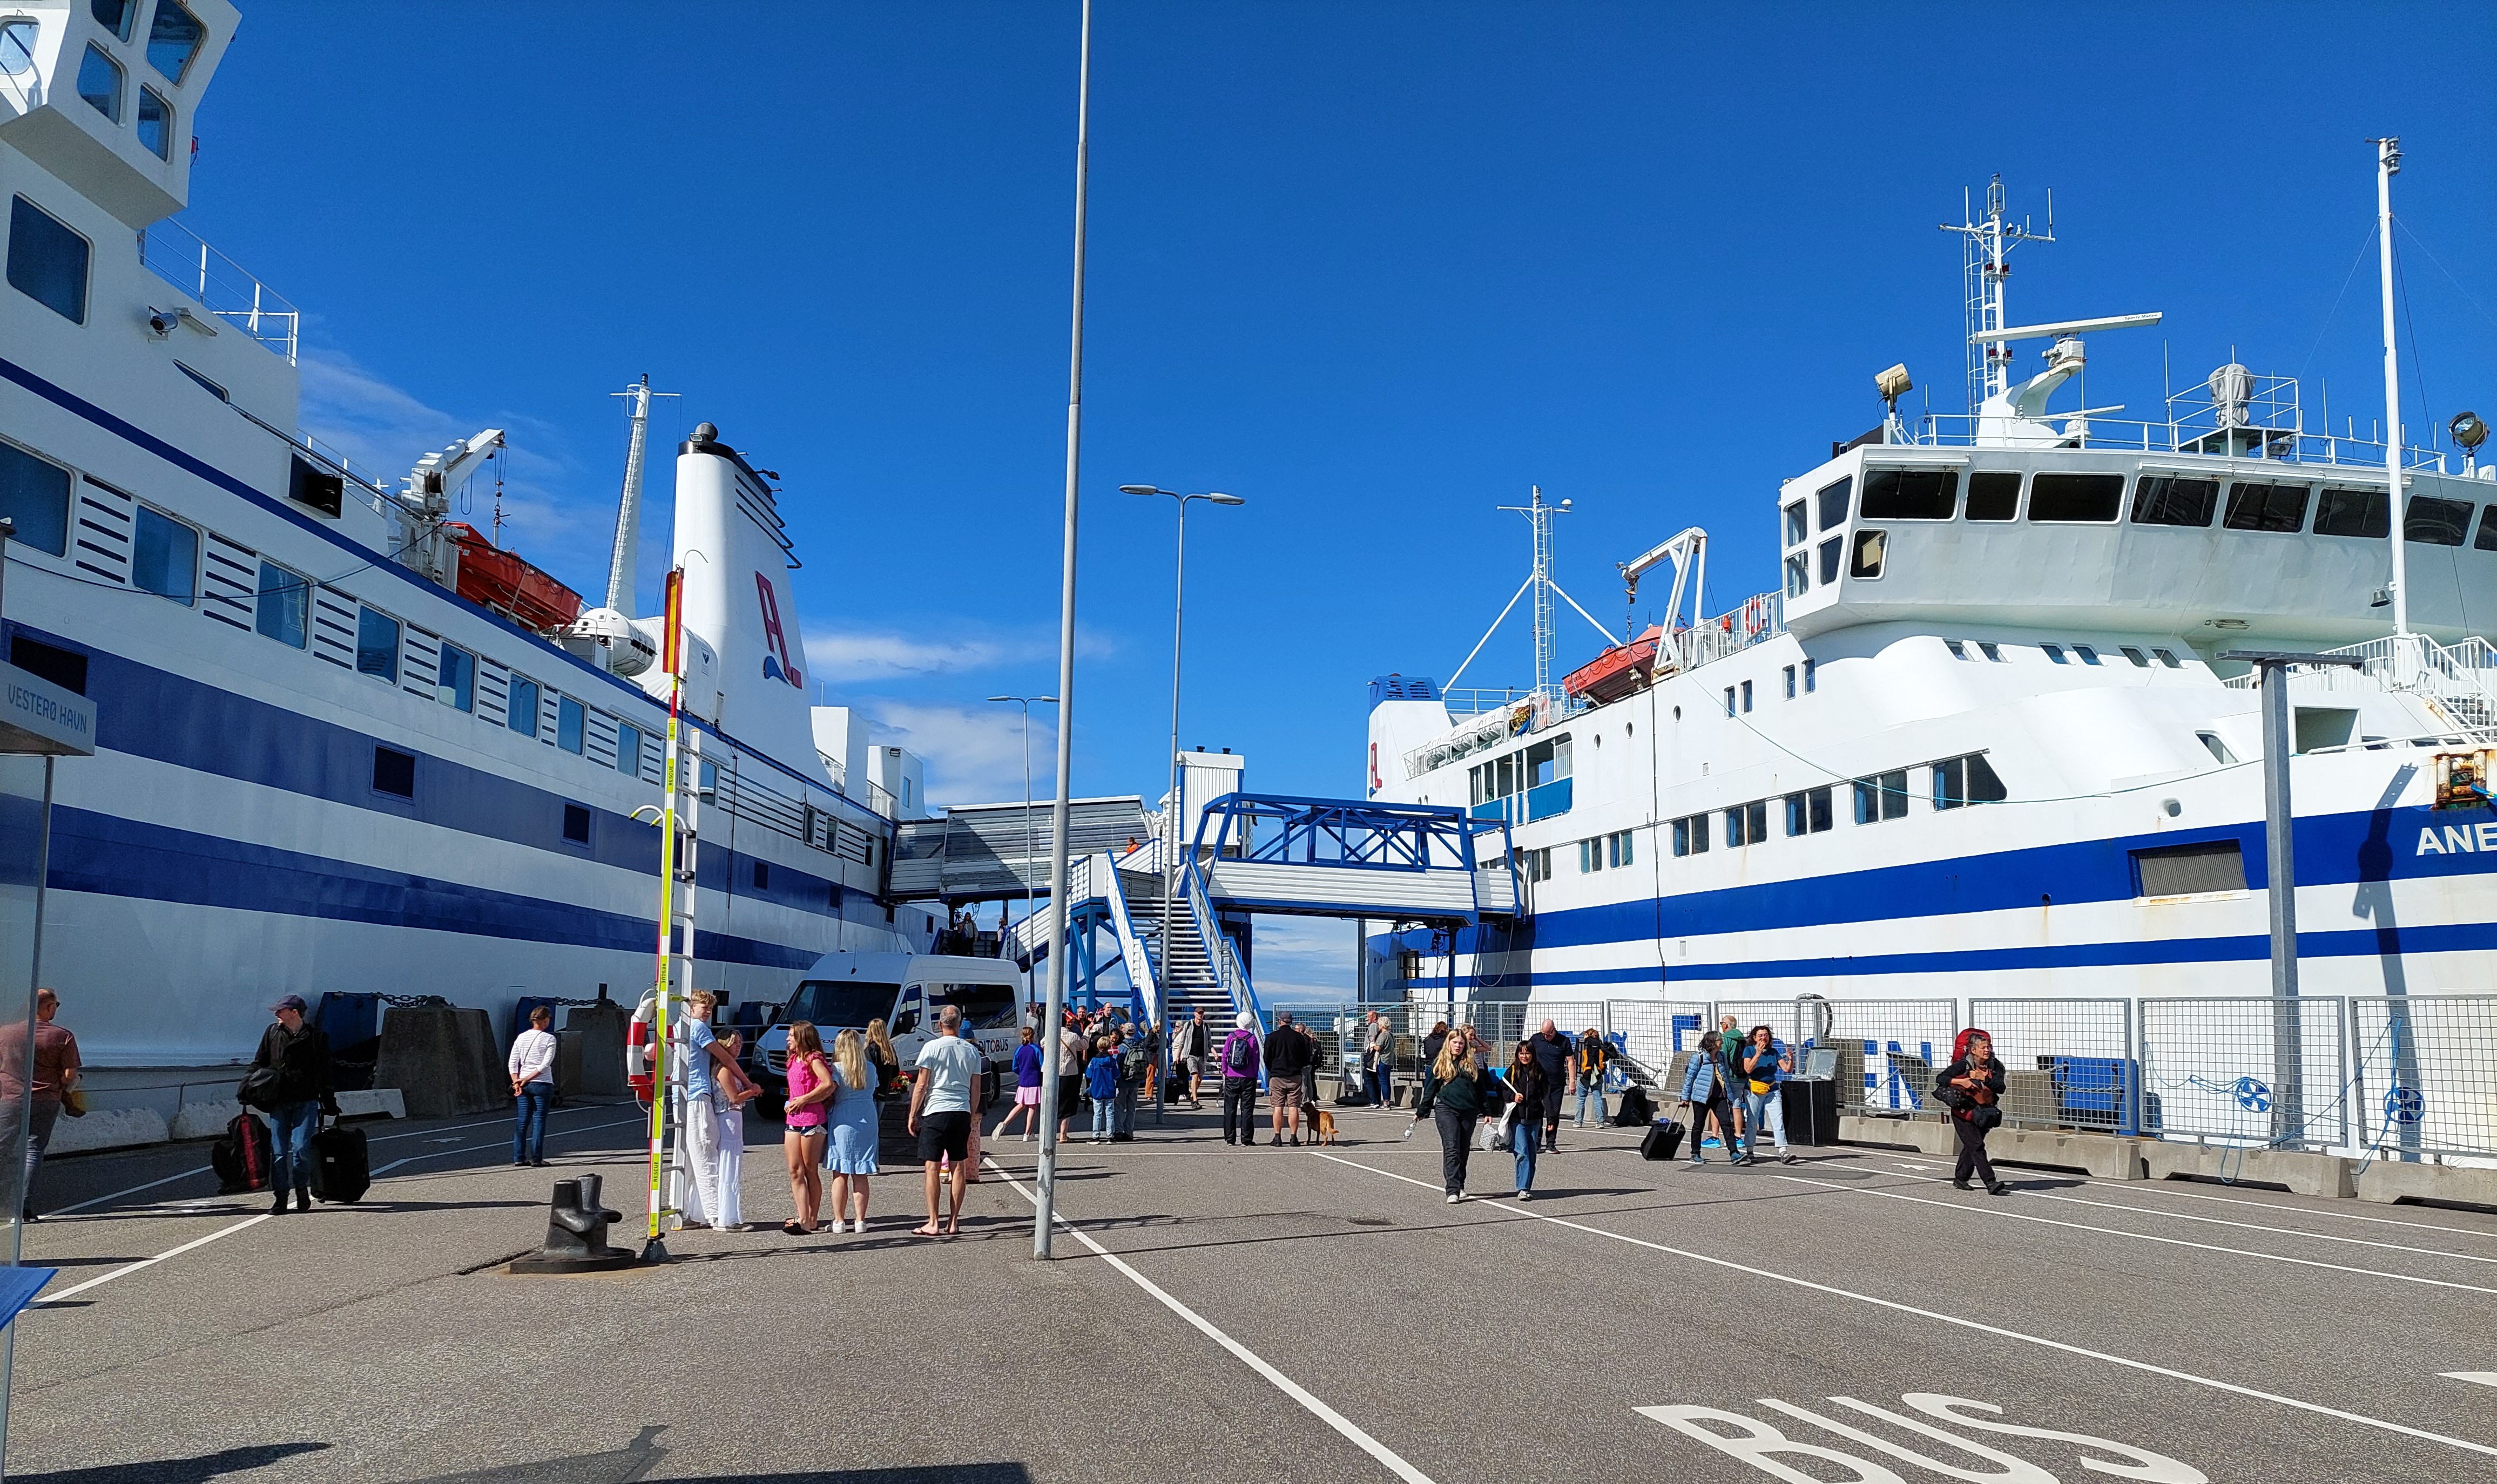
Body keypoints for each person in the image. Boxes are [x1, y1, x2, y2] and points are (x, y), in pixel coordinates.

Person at [247, 995, 336, 1216]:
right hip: (278, 1101)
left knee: (301, 1149)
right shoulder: (272, 1033)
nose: (276, 1014)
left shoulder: (317, 1038)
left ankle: (301, 1189)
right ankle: (280, 1198)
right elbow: (260, 1062)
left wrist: (330, 1102)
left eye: (280, 1011)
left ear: (294, 1013)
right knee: (278, 1152)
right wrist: (246, 1086)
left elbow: (326, 1073)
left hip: (306, 1101)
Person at [673, 990, 754, 1230]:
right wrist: (748, 1083)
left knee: (687, 1155)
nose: (707, 1012)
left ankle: (687, 1211)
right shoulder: (698, 1028)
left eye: (709, 1008)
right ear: (691, 1007)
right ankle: (717, 1215)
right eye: (703, 1007)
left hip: (681, 1091)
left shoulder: (678, 1028)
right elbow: (726, 1059)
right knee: (706, 1150)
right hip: (697, 1093)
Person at [908, 1005, 984, 1236]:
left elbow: (922, 1085)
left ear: (940, 1024)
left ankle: (933, 1222)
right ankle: (953, 1221)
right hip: (961, 1110)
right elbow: (976, 1088)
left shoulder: (931, 1047)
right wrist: (970, 1115)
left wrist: (913, 1114)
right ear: (959, 1025)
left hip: (936, 1111)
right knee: (958, 1165)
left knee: (932, 1166)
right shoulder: (972, 1051)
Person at [1409, 1028, 1501, 1203]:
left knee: (1463, 1149)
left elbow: (1481, 1090)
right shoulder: (1441, 1062)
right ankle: (1452, 1189)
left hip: (1469, 1110)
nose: (1458, 1046)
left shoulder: (1471, 1064)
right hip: (1446, 1109)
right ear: (1449, 1044)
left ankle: (1460, 1183)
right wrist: (1422, 1111)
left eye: (1461, 1043)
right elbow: (1430, 1089)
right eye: (1455, 1042)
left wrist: (1487, 1112)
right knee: (1451, 1147)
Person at [16, 988, 80, 1220]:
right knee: (33, 1151)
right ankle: (22, 1208)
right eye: (56, 1006)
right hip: (45, 1099)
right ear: (49, 1007)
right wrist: (60, 1086)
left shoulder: (7, 1034)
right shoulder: (62, 1036)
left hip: (10, 1099)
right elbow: (70, 1074)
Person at [778, 1021, 833, 1235]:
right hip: (793, 1120)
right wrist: (793, 1102)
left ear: (802, 1037)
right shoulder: (793, 1059)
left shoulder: (814, 1059)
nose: (788, 1039)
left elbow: (827, 1084)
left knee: (810, 1170)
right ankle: (802, 1216)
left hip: (812, 1119)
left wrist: (804, 1099)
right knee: (795, 1170)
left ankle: (811, 1218)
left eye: (792, 1036)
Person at [1939, 1027, 2009, 1195]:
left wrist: (1983, 1078)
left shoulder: (1996, 1066)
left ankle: (1961, 1178)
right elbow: (1941, 1079)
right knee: (1977, 1146)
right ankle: (1990, 1182)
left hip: (1985, 1113)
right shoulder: (1963, 1065)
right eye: (1983, 1048)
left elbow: (2001, 1088)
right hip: (1963, 1111)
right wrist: (1962, 1082)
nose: (1987, 1050)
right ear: (1973, 1050)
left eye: (1988, 1047)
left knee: (1972, 1146)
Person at [825, 1028, 880, 1231]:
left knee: (840, 1173)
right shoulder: (871, 1069)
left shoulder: (836, 1070)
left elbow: (830, 1092)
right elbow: (874, 1089)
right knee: (861, 1173)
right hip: (867, 1117)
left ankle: (839, 1221)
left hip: (844, 1117)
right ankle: (860, 1221)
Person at [713, 1031, 760, 1232]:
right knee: (730, 1164)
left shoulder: (729, 1067)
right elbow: (734, 1097)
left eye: (740, 1043)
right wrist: (753, 1090)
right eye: (734, 1043)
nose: (738, 1046)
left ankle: (729, 1214)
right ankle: (728, 1217)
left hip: (734, 1117)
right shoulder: (724, 1069)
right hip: (728, 1116)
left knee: (733, 1163)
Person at [1738, 1024, 1796, 1166]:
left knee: (1778, 1120)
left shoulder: (1773, 1052)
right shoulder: (1749, 1050)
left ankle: (1783, 1151)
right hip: (1754, 1090)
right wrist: (1758, 1053)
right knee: (1752, 1120)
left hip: (1772, 1090)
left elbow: (1787, 1069)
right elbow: (1748, 1069)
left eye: (1766, 1035)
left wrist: (1791, 1059)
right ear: (1754, 1038)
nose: (1764, 1037)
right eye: (1761, 1035)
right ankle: (1750, 1150)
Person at [507, 1005, 557, 1168]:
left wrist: (518, 1081)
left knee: (522, 1121)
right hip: (541, 1084)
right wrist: (528, 1078)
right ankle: (537, 1158)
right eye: (548, 1018)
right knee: (539, 1121)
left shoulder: (521, 1037)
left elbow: (513, 1062)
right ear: (544, 1020)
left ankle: (519, 1157)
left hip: (522, 1084)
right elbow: (545, 1065)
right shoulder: (549, 1039)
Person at [1677, 1031, 1735, 1165]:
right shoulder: (1699, 1058)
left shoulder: (1722, 1056)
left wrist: (1730, 1095)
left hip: (1719, 1096)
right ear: (1713, 1042)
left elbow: (1726, 1077)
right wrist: (1685, 1097)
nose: (1722, 1042)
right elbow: (1690, 1079)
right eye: (1720, 1040)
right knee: (1699, 1125)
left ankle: (1734, 1153)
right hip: (1701, 1097)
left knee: (1726, 1124)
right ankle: (1695, 1153)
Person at [1503, 1041, 1550, 1199]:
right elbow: (1501, 1088)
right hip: (1517, 1119)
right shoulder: (1513, 1070)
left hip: (1535, 1120)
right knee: (1522, 1153)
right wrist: (1513, 1097)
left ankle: (1527, 1187)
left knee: (1531, 1154)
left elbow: (1545, 1095)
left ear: (1532, 1054)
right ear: (1517, 1054)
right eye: (1521, 1053)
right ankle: (1522, 1188)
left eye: (1527, 1053)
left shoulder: (1539, 1071)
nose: (1524, 1056)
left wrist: (1551, 1118)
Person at [1263, 1012, 1315, 1147]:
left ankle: (1278, 1137)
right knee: (1294, 1107)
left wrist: (1273, 1069)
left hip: (1277, 1076)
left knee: (1278, 1107)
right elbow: (1305, 1059)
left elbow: (1266, 1058)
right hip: (1295, 1076)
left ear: (1279, 1021)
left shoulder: (1272, 1037)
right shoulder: (1299, 1038)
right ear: (1291, 1022)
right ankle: (1293, 1137)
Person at [1218, 1011, 1263, 1147]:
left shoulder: (1231, 1037)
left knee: (1230, 1109)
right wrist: (1254, 1074)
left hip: (1232, 1076)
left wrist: (1226, 1071)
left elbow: (1225, 1055)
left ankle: (1230, 1139)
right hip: (1248, 1078)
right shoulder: (1252, 1038)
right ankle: (1247, 1139)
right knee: (1247, 1109)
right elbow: (1256, 1059)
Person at [994, 1026, 1045, 1141]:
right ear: (1033, 1036)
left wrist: (1022, 1072)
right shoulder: (1036, 1049)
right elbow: (1043, 1065)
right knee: (1032, 1107)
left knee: (1021, 1105)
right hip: (1034, 1080)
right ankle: (1028, 1134)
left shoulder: (1019, 1049)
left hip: (1023, 1080)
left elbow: (1015, 1067)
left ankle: (1004, 1123)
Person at [1528, 1019, 1573, 1152]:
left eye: (1548, 1034)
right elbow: (1527, 1055)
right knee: (1538, 1112)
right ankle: (1536, 1142)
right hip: (1539, 1083)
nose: (1545, 1036)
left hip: (1556, 1084)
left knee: (1553, 1114)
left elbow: (1570, 1061)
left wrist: (1572, 1081)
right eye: (1544, 1034)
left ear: (1554, 1030)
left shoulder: (1563, 1041)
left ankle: (1551, 1143)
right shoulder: (1536, 1039)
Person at [1112, 1019, 1153, 1141]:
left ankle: (1118, 1131)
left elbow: (1116, 1064)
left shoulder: (1121, 1048)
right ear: (1135, 1032)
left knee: (1119, 1107)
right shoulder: (1140, 1046)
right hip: (1136, 1081)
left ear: (1124, 1032)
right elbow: (1146, 1063)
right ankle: (1129, 1132)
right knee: (1132, 1108)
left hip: (1123, 1080)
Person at [1055, 1015, 1088, 1142]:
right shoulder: (1072, 1036)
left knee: (1054, 1102)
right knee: (1068, 1103)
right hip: (1070, 1072)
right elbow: (1084, 1046)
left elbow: (1042, 1043)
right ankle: (1063, 1134)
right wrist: (1086, 1033)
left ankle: (1050, 1132)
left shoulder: (1052, 1035)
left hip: (1055, 1072)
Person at [1571, 1025, 1609, 1129]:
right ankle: (1600, 1122)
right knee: (1597, 1098)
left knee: (1581, 1099)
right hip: (1597, 1072)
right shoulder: (1600, 1046)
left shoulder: (1583, 1044)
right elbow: (1606, 1058)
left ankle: (1578, 1122)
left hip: (1585, 1073)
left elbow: (1577, 1058)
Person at [1085, 1039, 1120, 1144]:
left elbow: (1088, 1075)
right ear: (1109, 1047)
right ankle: (1110, 1136)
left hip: (1097, 1090)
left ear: (1098, 1047)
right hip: (1109, 1089)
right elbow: (1117, 1075)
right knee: (1110, 1114)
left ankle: (1096, 1136)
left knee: (1097, 1114)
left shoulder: (1094, 1061)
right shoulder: (1113, 1061)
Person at [1364, 1009, 1396, 1107]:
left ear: (1382, 1025)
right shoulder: (1390, 1035)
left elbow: (1378, 1047)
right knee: (1386, 1081)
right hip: (1389, 1060)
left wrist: (1372, 1045)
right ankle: (1386, 1101)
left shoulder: (1383, 1035)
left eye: (1379, 1025)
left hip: (1383, 1060)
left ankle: (1385, 1102)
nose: (1378, 1026)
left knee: (1382, 1082)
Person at [1178, 1008, 1210, 1106]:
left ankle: (1193, 1095)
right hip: (1190, 1055)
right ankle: (1195, 1100)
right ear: (1195, 1014)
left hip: (1201, 1056)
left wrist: (1215, 1053)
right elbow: (1182, 1041)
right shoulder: (1188, 1025)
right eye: (1198, 1013)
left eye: (1202, 1013)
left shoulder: (1206, 1027)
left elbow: (1209, 1042)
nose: (1200, 1015)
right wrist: (1179, 1056)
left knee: (1200, 1079)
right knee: (1195, 1075)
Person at [864, 1017, 900, 1094]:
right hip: (885, 1090)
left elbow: (868, 1071)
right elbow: (896, 1072)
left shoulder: (870, 1049)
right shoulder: (890, 1049)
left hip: (873, 1090)